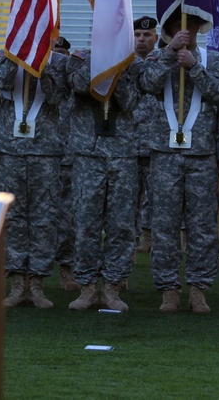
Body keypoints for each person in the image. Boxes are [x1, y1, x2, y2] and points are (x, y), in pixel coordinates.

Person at [138, 12, 219, 314]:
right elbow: (148, 86)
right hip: (164, 153)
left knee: (202, 226)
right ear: (167, 31)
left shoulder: (213, 59)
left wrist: (194, 68)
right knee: (164, 225)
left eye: (190, 27)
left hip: (201, 153)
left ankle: (199, 288)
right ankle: (168, 289)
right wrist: (169, 54)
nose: (184, 32)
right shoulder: (155, 58)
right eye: (177, 28)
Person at [0, 50, 70, 308]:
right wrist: (16, 59)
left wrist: (41, 67)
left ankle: (37, 282)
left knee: (44, 217)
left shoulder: (59, 62)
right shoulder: (1, 58)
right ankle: (17, 283)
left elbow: (57, 97)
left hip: (45, 149)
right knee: (12, 216)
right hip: (9, 148)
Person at [65, 48, 141, 312]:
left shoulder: (132, 63)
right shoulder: (79, 59)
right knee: (86, 222)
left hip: (122, 153)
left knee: (121, 224)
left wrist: (116, 67)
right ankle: (86, 286)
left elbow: (131, 101)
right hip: (89, 153)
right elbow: (78, 85)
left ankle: (112, 286)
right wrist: (98, 61)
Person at [51, 36, 80, 291]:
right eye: (54, 54)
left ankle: (66, 268)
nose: (58, 59)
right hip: (40, 152)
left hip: (69, 155)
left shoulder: (72, 80)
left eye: (62, 54)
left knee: (68, 218)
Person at [132, 16, 160, 254]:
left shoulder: (163, 63)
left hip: (156, 143)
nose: (141, 39)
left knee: (157, 197)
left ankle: (150, 238)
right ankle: (129, 241)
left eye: (147, 35)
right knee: (128, 198)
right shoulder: (120, 63)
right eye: (137, 35)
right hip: (127, 145)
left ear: (156, 38)